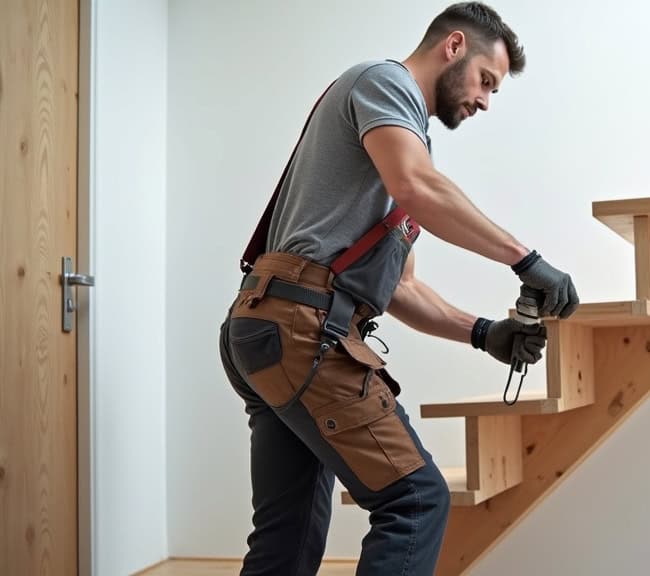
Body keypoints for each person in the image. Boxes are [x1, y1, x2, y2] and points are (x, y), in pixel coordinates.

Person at [217, 3, 580, 574]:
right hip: (300, 330)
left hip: (269, 329)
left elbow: (400, 288)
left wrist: (487, 334)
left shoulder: (406, 144)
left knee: (285, 542)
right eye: (487, 80)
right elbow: (417, 187)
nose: (485, 100)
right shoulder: (383, 83)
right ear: (453, 46)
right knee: (415, 500)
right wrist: (525, 259)